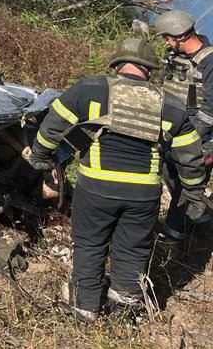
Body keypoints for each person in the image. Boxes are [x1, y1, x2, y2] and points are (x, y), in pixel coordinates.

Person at [26, 38, 207, 320]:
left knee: (90, 245)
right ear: (150, 70)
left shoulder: (90, 88)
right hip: (144, 194)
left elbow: (54, 123)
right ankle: (124, 311)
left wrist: (40, 154)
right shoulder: (170, 105)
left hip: (96, 188)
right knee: (133, 249)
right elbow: (190, 157)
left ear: (116, 64)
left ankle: (85, 310)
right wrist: (195, 194)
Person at [155, 9, 213, 240]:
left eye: (167, 38)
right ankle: (200, 217)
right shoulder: (173, 56)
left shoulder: (209, 62)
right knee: (171, 176)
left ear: (180, 36)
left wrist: (193, 137)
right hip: (172, 131)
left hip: (201, 137)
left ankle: (174, 237)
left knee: (188, 184)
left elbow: (211, 108)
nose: (166, 43)